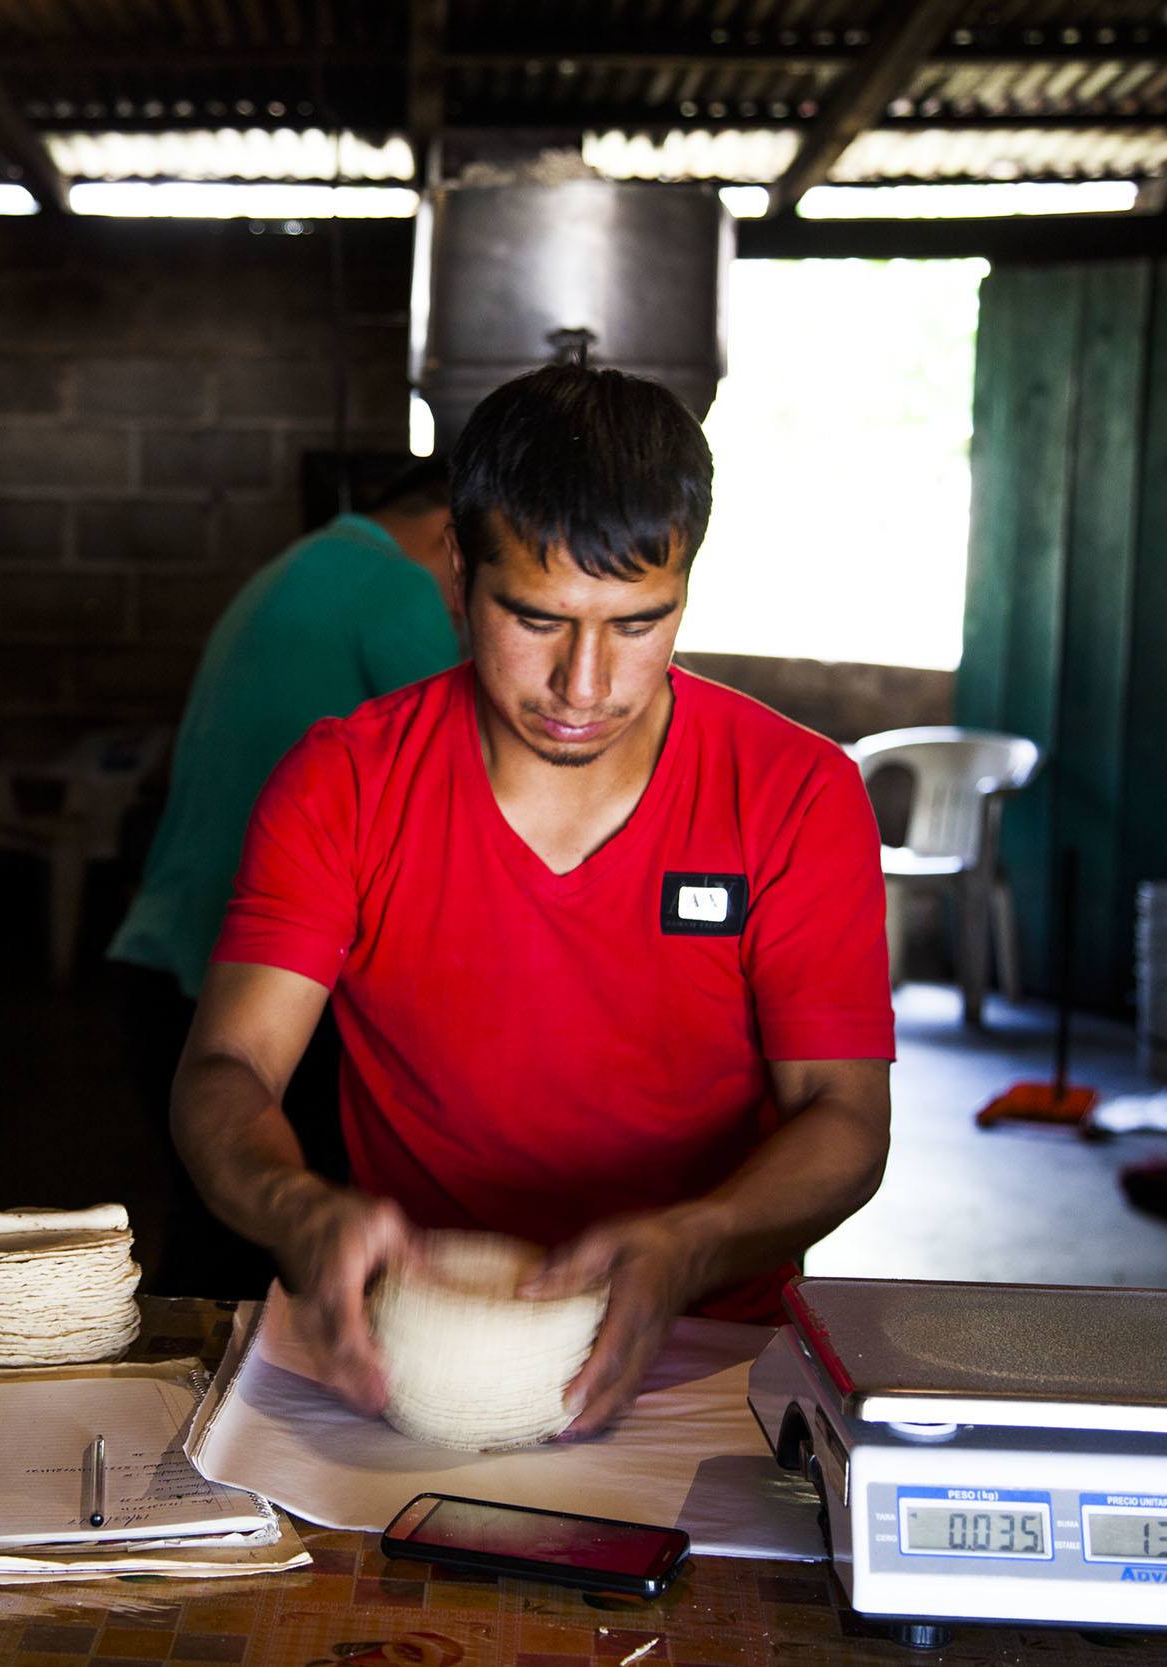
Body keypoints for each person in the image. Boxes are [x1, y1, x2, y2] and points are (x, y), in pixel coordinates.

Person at [170, 365, 895, 1439]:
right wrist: (298, 1208)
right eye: (538, 618)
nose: (586, 683)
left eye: (639, 622)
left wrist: (695, 1239)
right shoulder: (347, 782)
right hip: (415, 1365)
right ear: (457, 573)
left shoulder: (795, 793)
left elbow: (844, 1114)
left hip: (706, 1363)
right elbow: (227, 1068)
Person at [111, 462, 464, 1296]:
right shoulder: (395, 588)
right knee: (276, 1270)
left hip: (165, 953)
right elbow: (469, 763)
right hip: (255, 978)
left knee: (214, 1249)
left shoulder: (299, 565)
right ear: (455, 536)